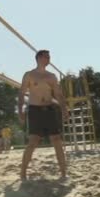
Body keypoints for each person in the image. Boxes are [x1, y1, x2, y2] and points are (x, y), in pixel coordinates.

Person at [18, 50, 69, 180]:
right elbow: (21, 94)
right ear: (39, 58)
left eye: (49, 56)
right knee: (33, 141)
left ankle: (63, 173)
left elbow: (58, 94)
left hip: (50, 110)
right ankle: (23, 173)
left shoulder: (51, 76)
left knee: (57, 140)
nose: (49, 58)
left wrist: (64, 109)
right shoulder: (29, 75)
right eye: (47, 56)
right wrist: (20, 111)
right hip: (35, 110)